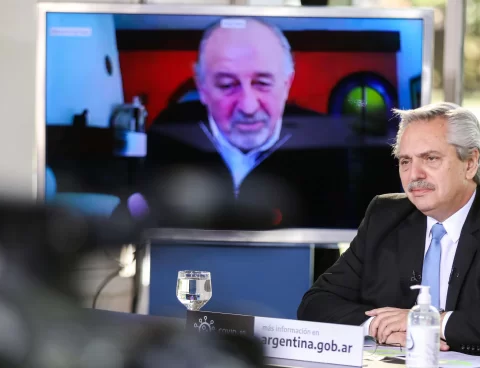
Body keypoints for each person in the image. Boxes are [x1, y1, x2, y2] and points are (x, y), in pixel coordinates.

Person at [297, 102, 480, 358]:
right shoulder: (384, 217)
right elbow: (316, 303)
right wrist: (380, 328)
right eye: (405, 161)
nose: (414, 175)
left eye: (430, 158)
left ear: (470, 163)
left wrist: (429, 322)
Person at [141, 17, 376, 230]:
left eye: (262, 83)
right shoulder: (168, 133)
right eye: (227, 85)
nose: (248, 107)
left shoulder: (326, 144)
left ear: (286, 84)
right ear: (202, 86)